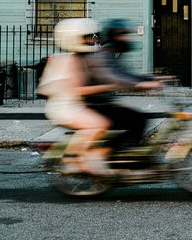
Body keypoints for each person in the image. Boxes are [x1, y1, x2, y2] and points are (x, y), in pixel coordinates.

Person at [37, 18, 117, 176]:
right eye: (87, 37)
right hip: (65, 108)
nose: (92, 40)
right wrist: (109, 86)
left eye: (93, 36)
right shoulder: (70, 60)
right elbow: (78, 90)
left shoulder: (72, 58)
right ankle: (73, 160)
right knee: (99, 124)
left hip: (72, 105)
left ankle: (89, 156)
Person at [80, 19, 163, 154]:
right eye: (122, 34)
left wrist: (151, 78)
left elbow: (125, 74)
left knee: (137, 119)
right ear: (113, 36)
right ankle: (114, 152)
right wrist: (140, 84)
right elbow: (112, 78)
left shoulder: (110, 54)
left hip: (104, 104)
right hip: (94, 106)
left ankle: (123, 152)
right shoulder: (101, 55)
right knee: (138, 120)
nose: (126, 38)